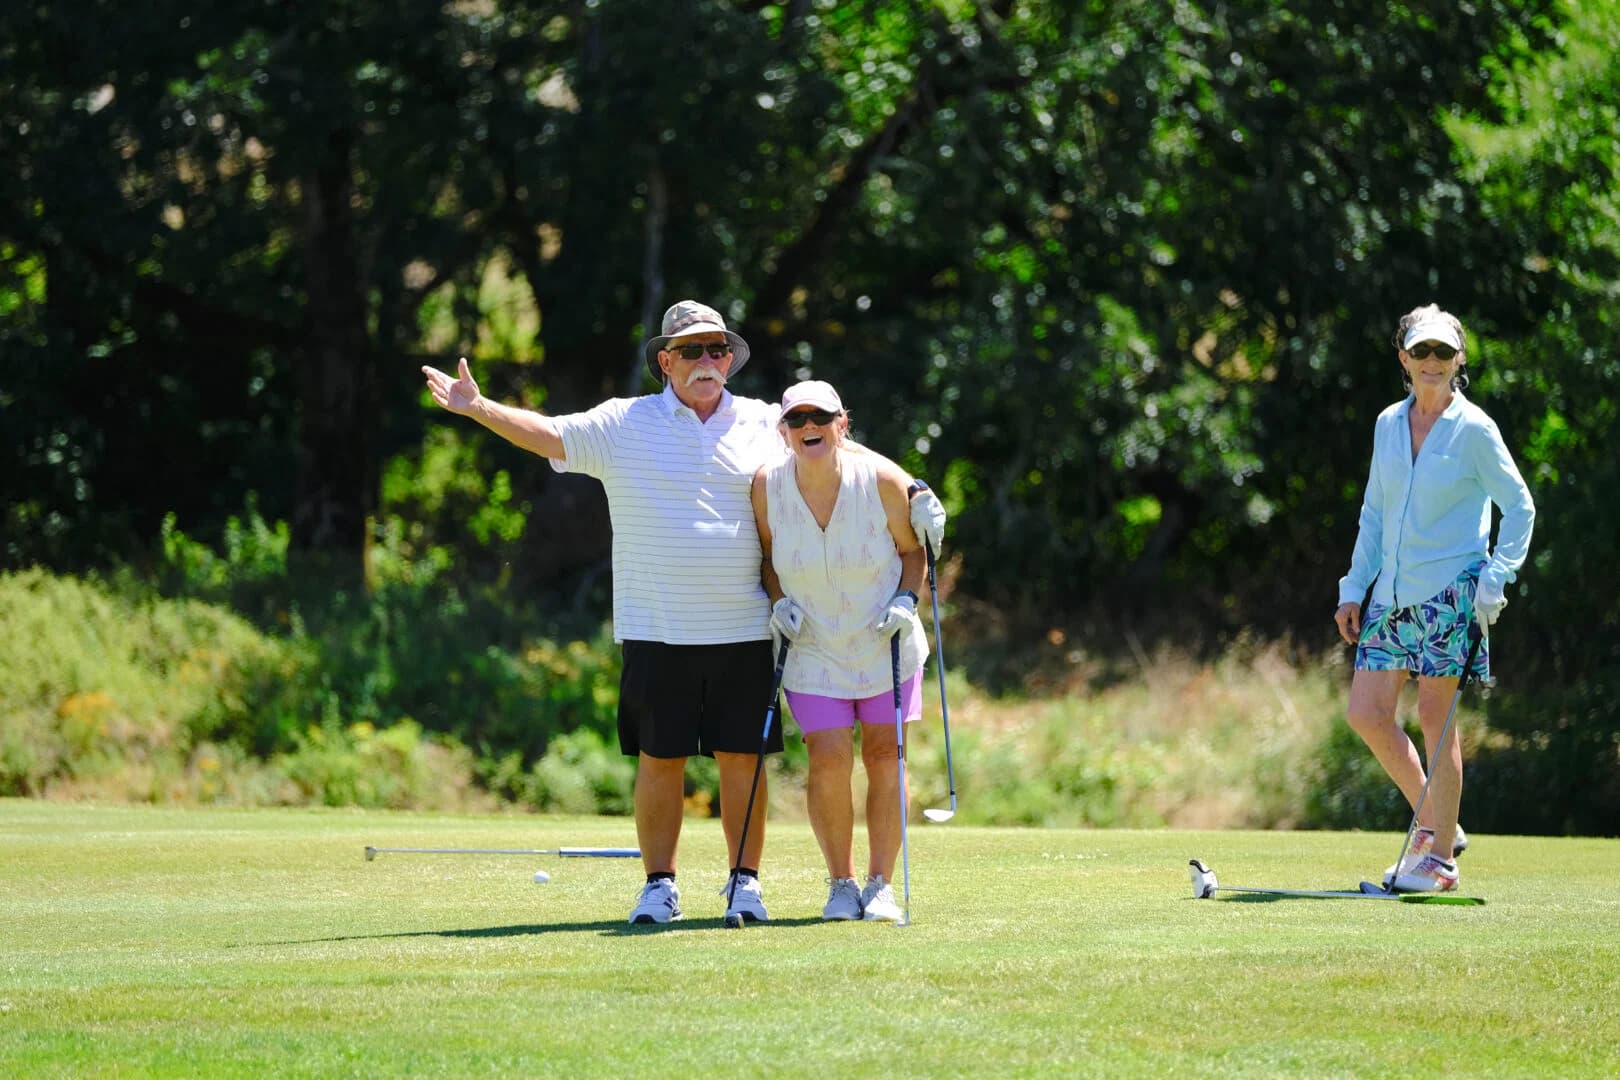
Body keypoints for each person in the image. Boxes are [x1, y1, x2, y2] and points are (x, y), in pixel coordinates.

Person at [420, 301, 945, 925]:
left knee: (741, 761)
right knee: (659, 758)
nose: (706, 361)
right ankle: (660, 885)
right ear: (664, 360)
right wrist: (478, 408)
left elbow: (832, 442)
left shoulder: (761, 420)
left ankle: (744, 883)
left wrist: (912, 487)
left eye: (717, 349)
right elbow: (550, 435)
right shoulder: (624, 422)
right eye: (691, 350)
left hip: (749, 626)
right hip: (657, 623)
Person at [1333, 304, 1534, 893]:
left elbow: (1519, 506)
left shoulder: (1475, 430)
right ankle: (1437, 822)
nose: (1432, 362)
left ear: (1458, 361)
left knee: (1434, 718)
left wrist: (1496, 578)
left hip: (1451, 594)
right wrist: (1353, 586)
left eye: (1443, 353)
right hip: (1389, 595)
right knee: (1366, 714)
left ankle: (1439, 860)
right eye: (1421, 352)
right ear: (1404, 358)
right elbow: (1374, 513)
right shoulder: (1386, 425)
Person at [749, 380, 927, 922]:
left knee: (883, 756)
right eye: (797, 418)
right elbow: (768, 556)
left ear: (841, 424)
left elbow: (913, 554)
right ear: (783, 431)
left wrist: (906, 598)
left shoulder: (882, 481)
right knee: (827, 759)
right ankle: (841, 884)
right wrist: (778, 601)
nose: (809, 427)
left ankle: (880, 885)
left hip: (884, 640)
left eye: (820, 417)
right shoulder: (766, 486)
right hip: (813, 645)